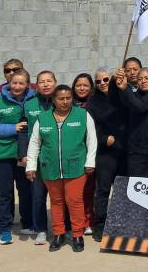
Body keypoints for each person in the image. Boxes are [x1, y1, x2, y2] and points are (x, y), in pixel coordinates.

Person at [25, 85, 97, 252]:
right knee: (56, 202)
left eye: (68, 98)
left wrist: (90, 161)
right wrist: (31, 166)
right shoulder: (42, 118)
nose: (65, 101)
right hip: (50, 167)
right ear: (54, 100)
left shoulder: (82, 115)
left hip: (76, 167)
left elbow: (91, 140)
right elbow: (35, 143)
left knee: (75, 201)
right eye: (61, 98)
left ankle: (78, 235)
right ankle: (59, 233)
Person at [0, 68, 36, 245]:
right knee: (5, 194)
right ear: (8, 83)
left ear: (27, 85)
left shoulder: (35, 100)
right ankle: (4, 228)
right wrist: (13, 128)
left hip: (25, 154)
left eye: (21, 83)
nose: (17, 86)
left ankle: (28, 223)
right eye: (14, 82)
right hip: (1, 154)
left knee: (26, 191)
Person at [86, 68, 126, 242]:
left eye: (105, 79)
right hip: (105, 151)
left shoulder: (121, 95)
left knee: (123, 190)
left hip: (124, 150)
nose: (102, 83)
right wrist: (103, 139)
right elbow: (92, 126)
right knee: (103, 190)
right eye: (98, 81)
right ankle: (100, 225)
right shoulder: (92, 101)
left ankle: (122, 223)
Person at [22, 70, 58, 245]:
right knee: (38, 196)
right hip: (36, 157)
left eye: (49, 81)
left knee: (60, 196)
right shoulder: (29, 104)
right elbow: (22, 131)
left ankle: (62, 228)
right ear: (36, 85)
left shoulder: (63, 101)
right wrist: (23, 155)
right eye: (41, 81)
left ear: (55, 83)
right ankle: (41, 230)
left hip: (58, 157)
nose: (45, 84)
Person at [116, 67, 148, 177]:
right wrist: (118, 82)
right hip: (137, 151)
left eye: (147, 78)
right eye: (140, 79)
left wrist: (125, 88)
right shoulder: (131, 95)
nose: (143, 81)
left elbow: (140, 106)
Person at [71, 73, 95, 233]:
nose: (81, 88)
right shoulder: (68, 104)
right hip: (73, 152)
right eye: (78, 85)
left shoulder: (96, 103)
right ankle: (74, 221)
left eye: (85, 85)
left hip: (91, 151)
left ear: (91, 87)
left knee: (89, 189)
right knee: (73, 191)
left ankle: (88, 220)